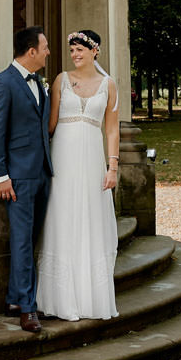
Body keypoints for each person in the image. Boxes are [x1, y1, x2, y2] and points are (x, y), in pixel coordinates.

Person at [36, 28, 120, 321]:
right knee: (63, 217)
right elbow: (51, 123)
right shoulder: (61, 80)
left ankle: (89, 297)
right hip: (64, 157)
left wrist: (113, 167)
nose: (75, 55)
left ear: (94, 51)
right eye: (72, 50)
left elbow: (111, 128)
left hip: (91, 160)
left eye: (80, 50)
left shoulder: (108, 85)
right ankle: (59, 297)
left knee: (90, 218)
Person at [0, 25, 52, 334]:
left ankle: (14, 298)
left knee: (31, 239)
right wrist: (0, 176)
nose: (48, 52)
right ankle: (28, 309)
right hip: (17, 178)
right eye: (45, 47)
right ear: (31, 52)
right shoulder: (3, 83)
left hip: (41, 174)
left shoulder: (39, 82)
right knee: (22, 242)